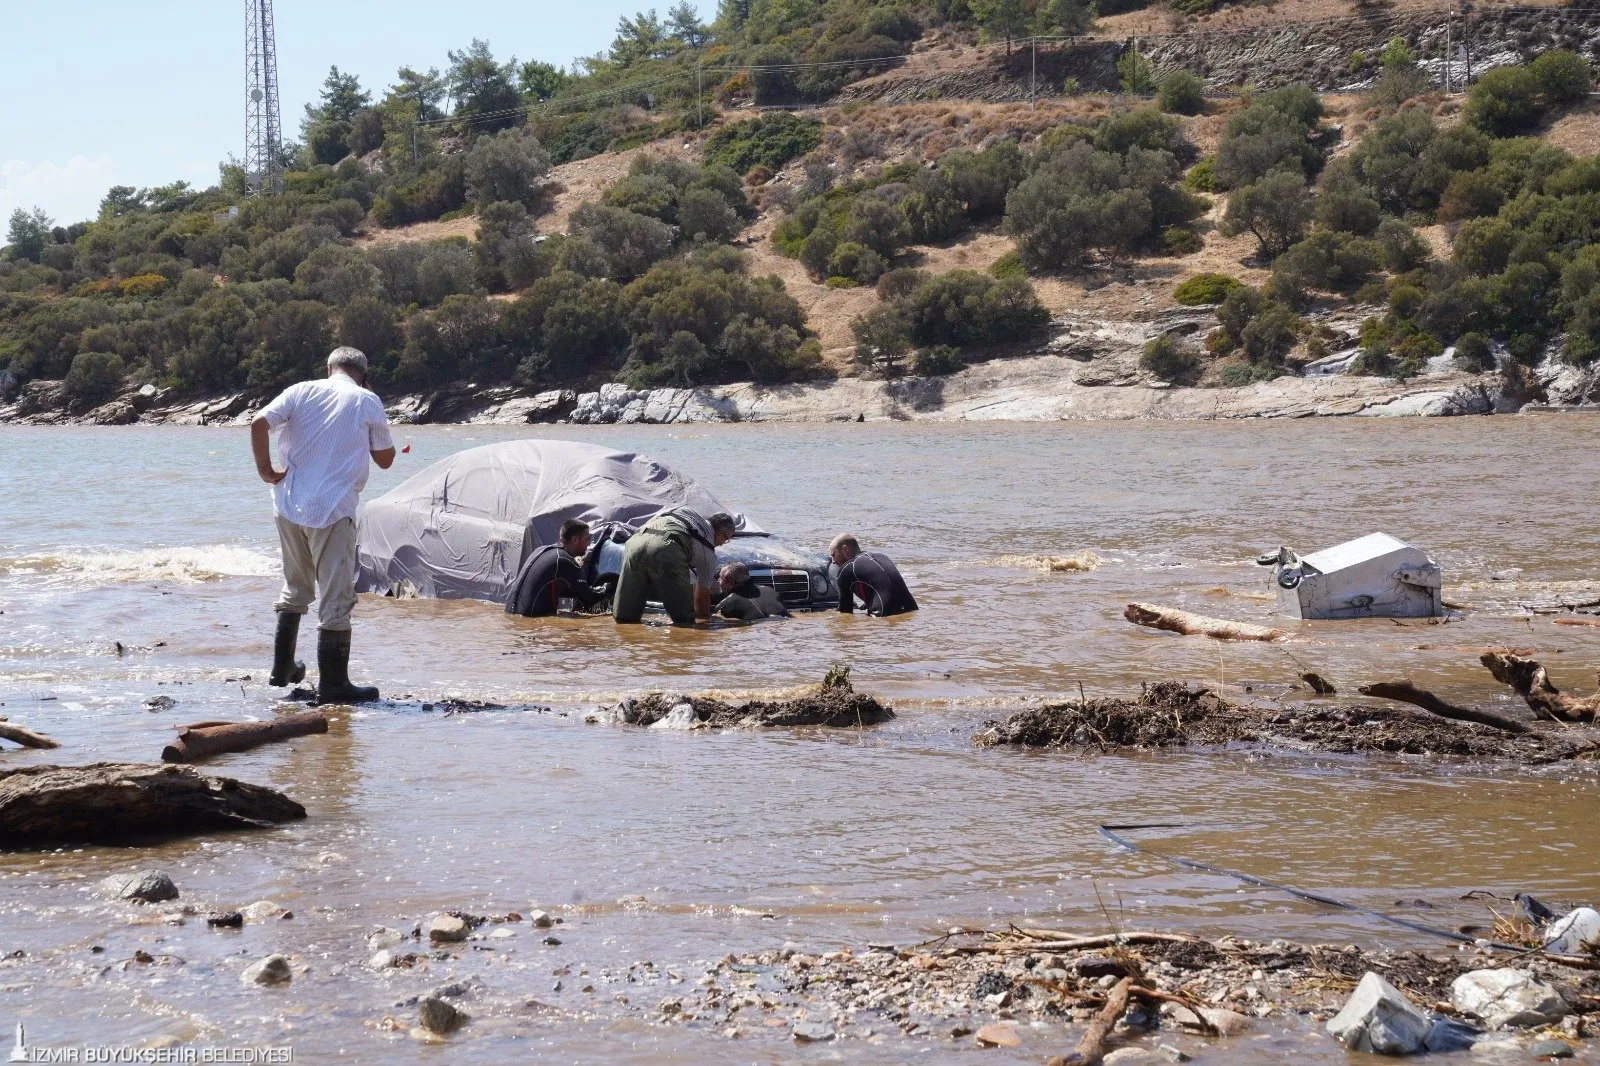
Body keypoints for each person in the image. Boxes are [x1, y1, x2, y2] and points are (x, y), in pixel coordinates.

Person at [251, 346, 394, 703]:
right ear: (363, 372)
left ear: (329, 368)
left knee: (294, 584)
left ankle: (281, 668)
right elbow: (386, 460)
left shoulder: (300, 390)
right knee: (336, 595)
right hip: (333, 508)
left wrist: (266, 472)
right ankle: (334, 685)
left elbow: (258, 423)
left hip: (288, 504)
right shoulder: (367, 400)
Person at [612, 507, 736, 626]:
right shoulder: (708, 550)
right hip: (667, 546)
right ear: (720, 534)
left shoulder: (685, 511)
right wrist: (705, 625)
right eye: (726, 540)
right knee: (684, 622)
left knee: (625, 619)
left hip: (635, 541)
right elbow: (702, 598)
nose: (723, 544)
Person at [505, 519, 605, 617]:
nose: (589, 543)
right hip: (531, 624)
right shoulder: (565, 560)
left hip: (510, 615)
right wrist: (608, 588)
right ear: (574, 540)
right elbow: (588, 598)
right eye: (587, 539)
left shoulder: (541, 550)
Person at [831, 534, 918, 617]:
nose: (833, 561)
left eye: (833, 555)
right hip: (912, 611)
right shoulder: (882, 556)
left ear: (845, 550)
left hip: (884, 619)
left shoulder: (846, 569)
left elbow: (845, 612)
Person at [714, 562, 790, 621]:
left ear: (731, 584)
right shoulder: (771, 591)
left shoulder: (724, 606)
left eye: (720, 578)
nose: (718, 581)